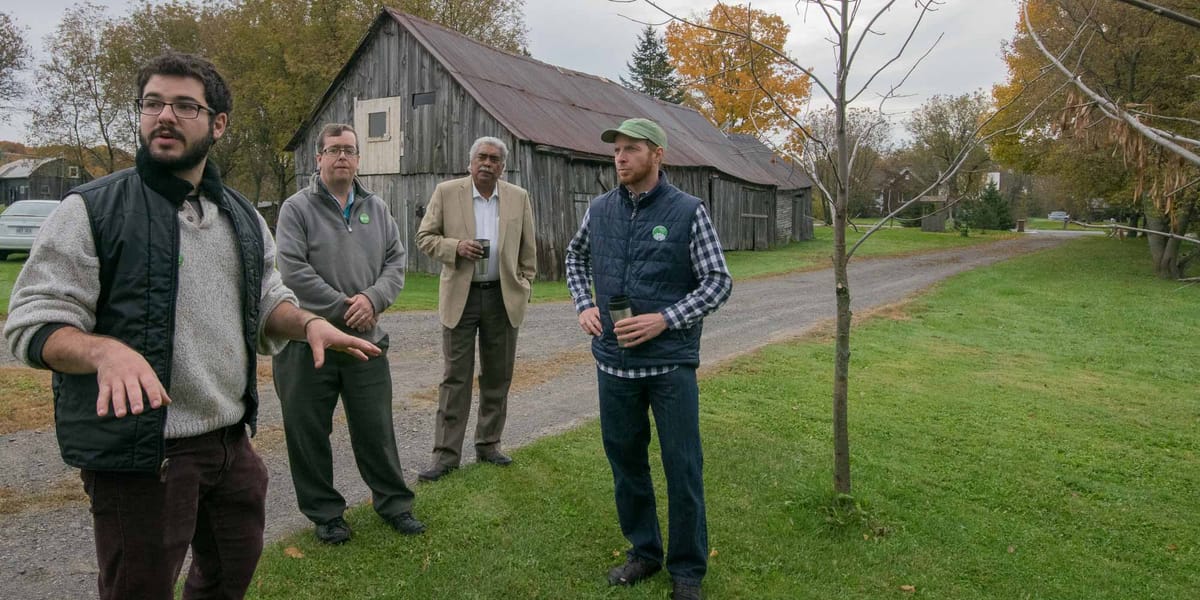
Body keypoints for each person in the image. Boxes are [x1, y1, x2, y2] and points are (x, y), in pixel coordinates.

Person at [3, 52, 380, 600]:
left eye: (185, 106)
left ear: (218, 124)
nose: (164, 116)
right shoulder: (91, 210)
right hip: (144, 456)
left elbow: (267, 300)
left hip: (229, 443)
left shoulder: (241, 215)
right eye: (152, 103)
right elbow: (33, 321)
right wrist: (104, 352)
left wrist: (308, 325)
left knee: (229, 575)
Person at [564, 118, 733, 600]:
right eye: (616, 150)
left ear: (658, 154)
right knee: (626, 462)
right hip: (613, 365)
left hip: (669, 367)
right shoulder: (599, 209)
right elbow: (575, 258)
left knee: (683, 466)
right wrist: (585, 304)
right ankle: (643, 552)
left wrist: (664, 319)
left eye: (631, 149)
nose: (620, 157)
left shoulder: (687, 211)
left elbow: (718, 281)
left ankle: (687, 571)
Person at [273, 123, 425, 543]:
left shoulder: (377, 208)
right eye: (334, 149)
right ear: (318, 158)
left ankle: (395, 505)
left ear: (358, 159)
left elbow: (396, 262)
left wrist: (372, 300)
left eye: (349, 150)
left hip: (366, 339)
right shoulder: (296, 209)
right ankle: (326, 514)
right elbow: (293, 270)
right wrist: (345, 307)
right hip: (307, 343)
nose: (342, 156)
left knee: (376, 429)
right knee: (308, 432)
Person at [415, 136, 537, 481]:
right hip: (461, 296)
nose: (487, 163)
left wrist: (524, 286)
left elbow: (529, 251)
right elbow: (424, 238)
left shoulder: (518, 197)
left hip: (502, 297)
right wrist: (455, 247)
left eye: (494, 159)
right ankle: (445, 456)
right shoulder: (446, 192)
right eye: (481, 157)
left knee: (498, 376)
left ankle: (488, 444)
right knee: (455, 377)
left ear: (503, 166)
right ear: (470, 163)